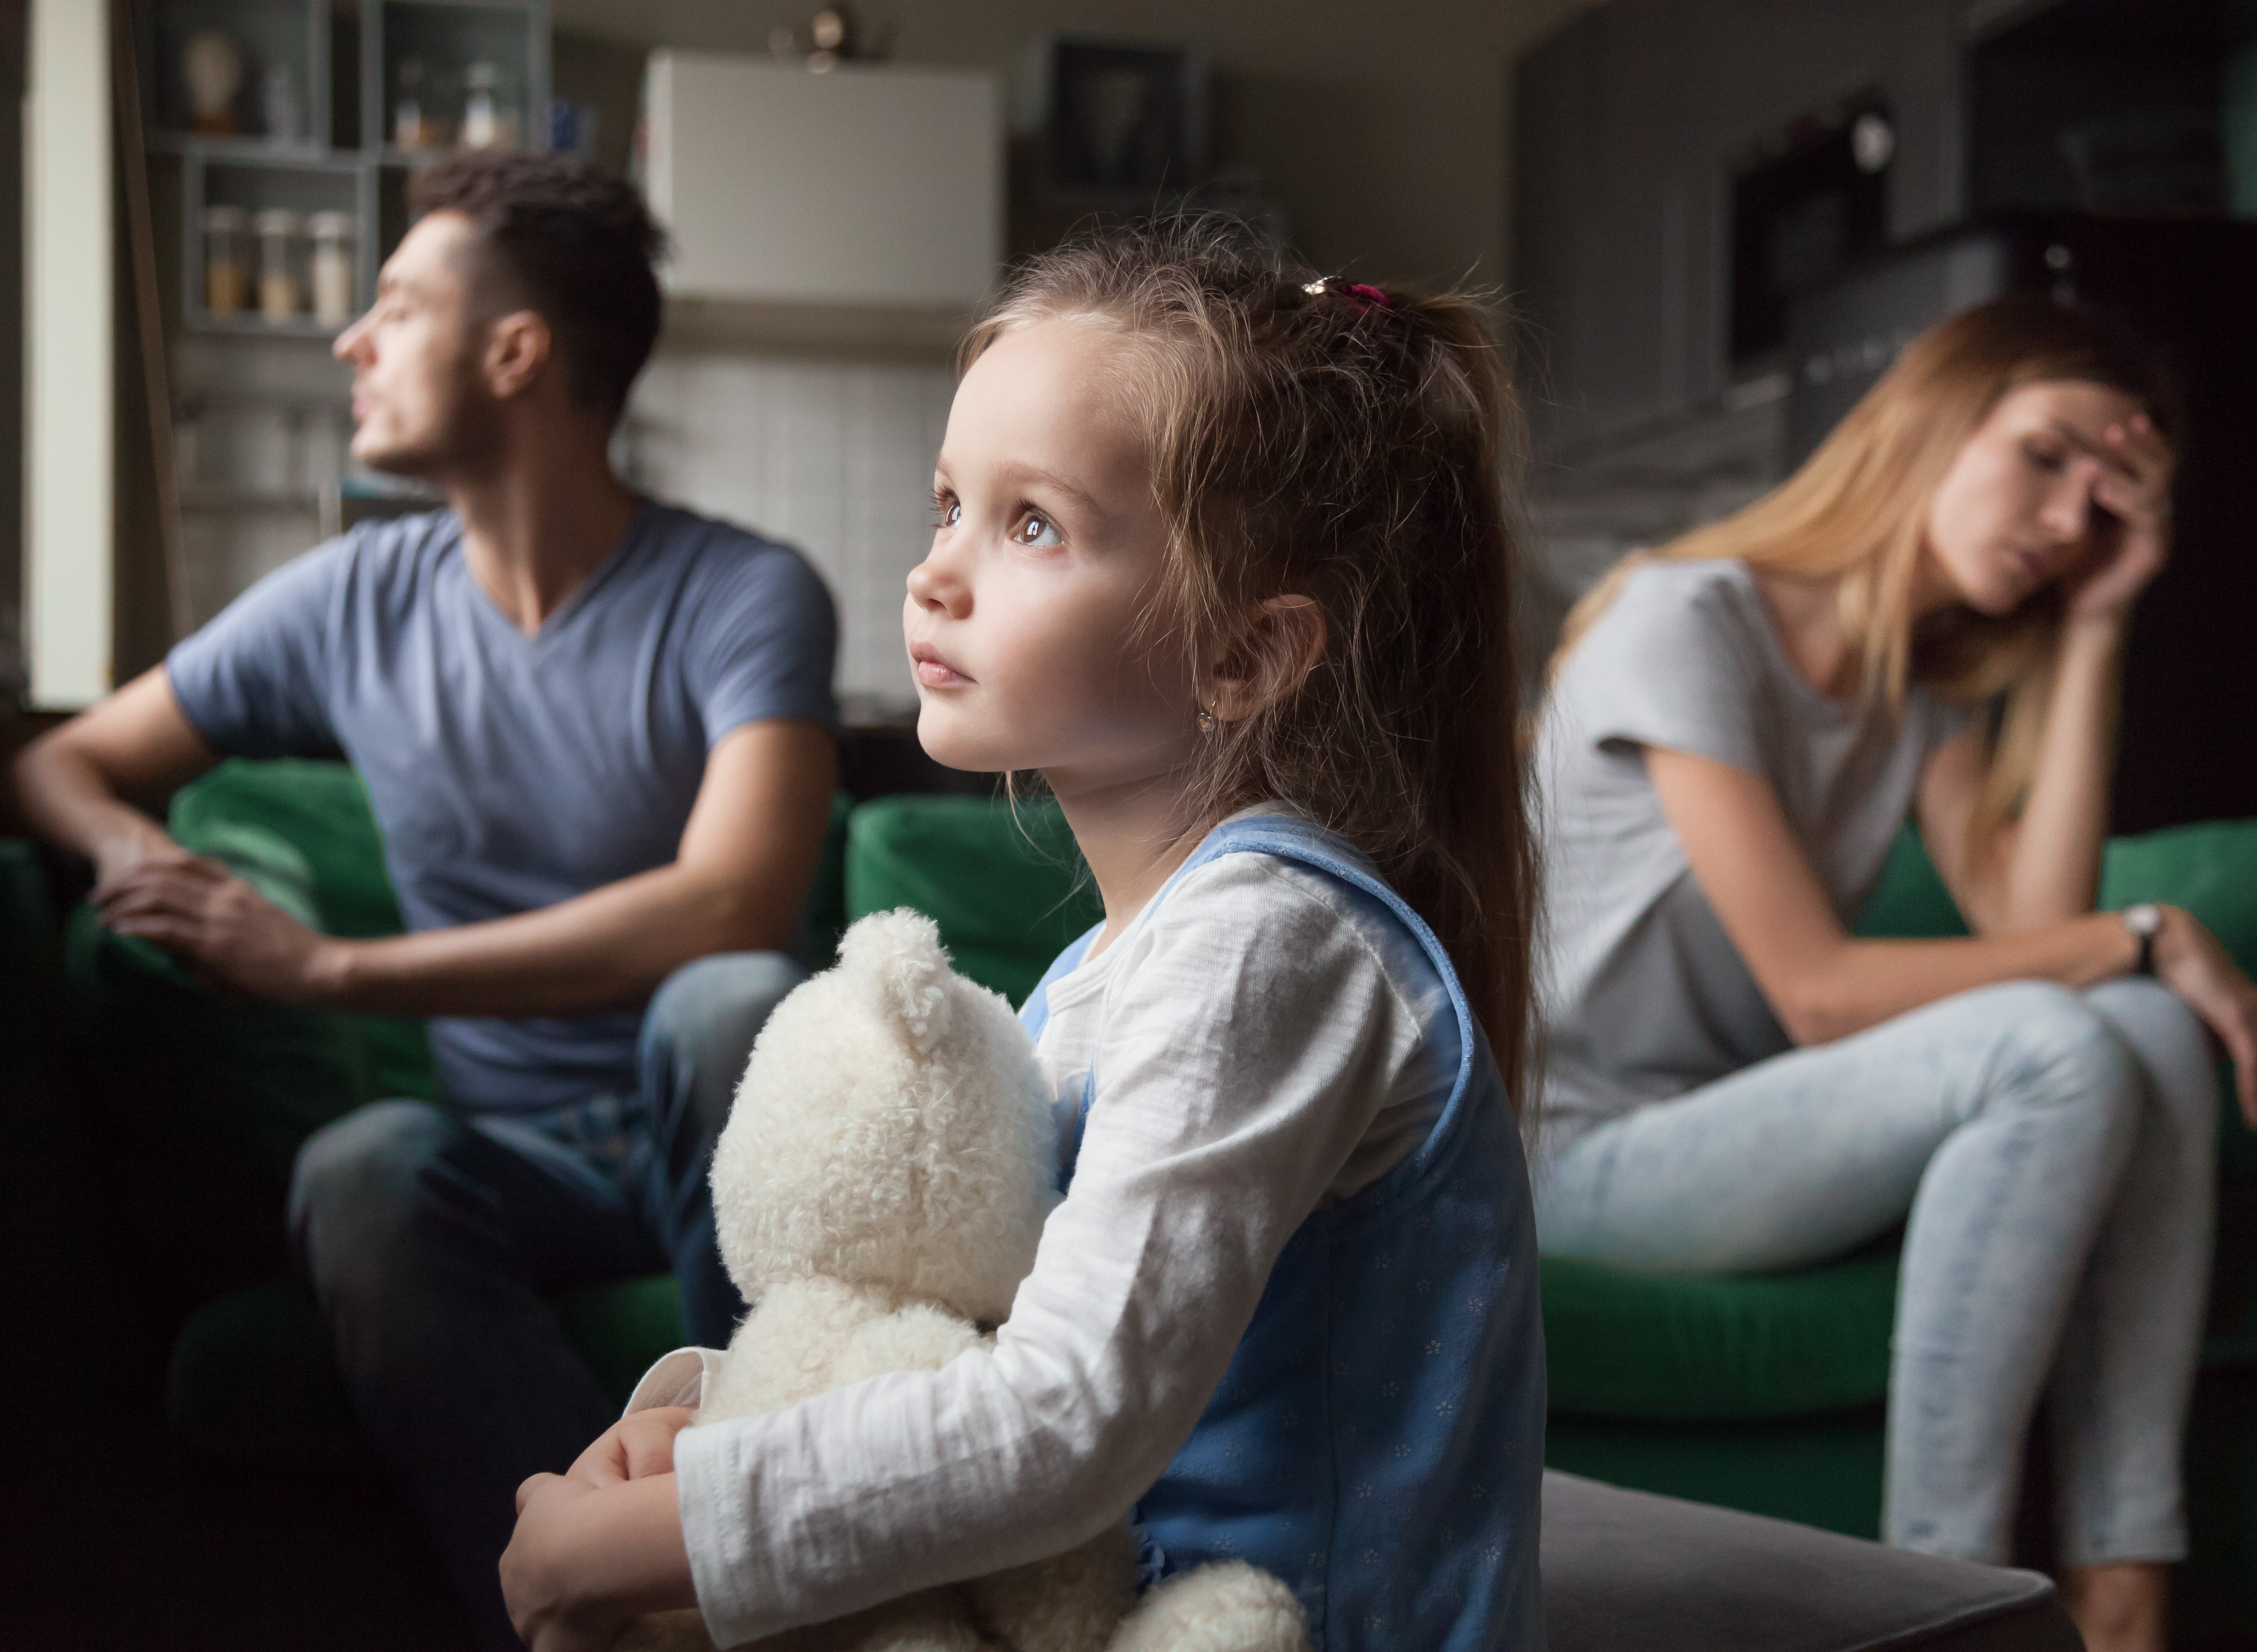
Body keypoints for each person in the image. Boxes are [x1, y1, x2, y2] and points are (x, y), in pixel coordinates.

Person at [495, 223, 1548, 1652]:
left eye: (1032, 523)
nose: (937, 573)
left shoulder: (1269, 949)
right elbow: (972, 1340)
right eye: (947, 507)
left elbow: (1068, 1417)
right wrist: (698, 1431)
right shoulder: (1095, 983)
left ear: (1244, 655)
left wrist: (639, 1537)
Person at [13, 152, 840, 1648]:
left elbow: (732, 904)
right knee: (363, 1165)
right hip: (514, 1156)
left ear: (516, 353)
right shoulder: (353, 599)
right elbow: (65, 762)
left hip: (702, 1135)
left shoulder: (744, 591)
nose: (353, 341)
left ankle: (763, 1551)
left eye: (396, 306)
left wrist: (328, 968)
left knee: (732, 1007)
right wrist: (131, 853)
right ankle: (604, 1617)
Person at [1530, 297, 2257, 1652]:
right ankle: (1940, 1598)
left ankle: (2126, 1587)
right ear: (1931, 425)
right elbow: (1816, 991)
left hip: (1723, 1141)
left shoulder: (1918, 695)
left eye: (2106, 504)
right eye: (2047, 456)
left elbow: (2042, 930)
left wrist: (2098, 628)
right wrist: (2153, 931)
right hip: (1568, 1155)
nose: (2071, 520)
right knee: (2075, 1026)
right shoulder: (1682, 619)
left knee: (2146, 1033)